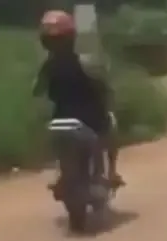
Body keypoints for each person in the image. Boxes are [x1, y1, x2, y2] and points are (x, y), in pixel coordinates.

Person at [34, 10, 124, 189]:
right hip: (91, 119)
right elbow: (103, 87)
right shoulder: (85, 61)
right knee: (112, 124)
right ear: (71, 38)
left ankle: (62, 174)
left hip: (60, 118)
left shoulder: (47, 66)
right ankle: (111, 172)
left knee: (57, 144)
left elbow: (37, 92)